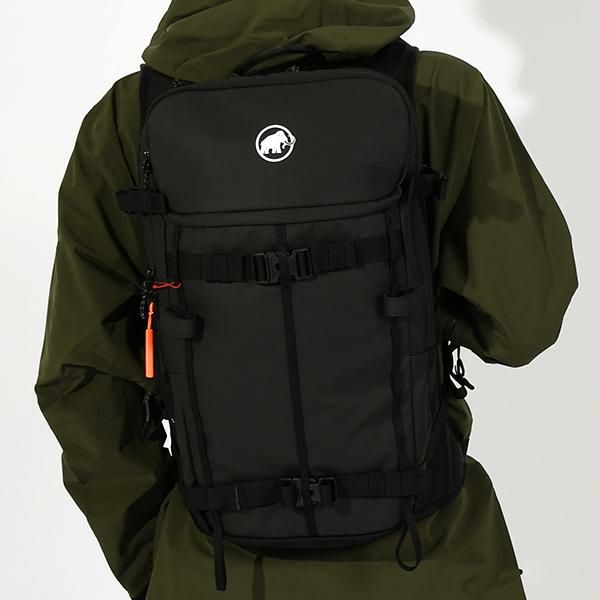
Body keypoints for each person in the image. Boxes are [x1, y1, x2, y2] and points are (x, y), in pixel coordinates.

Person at [35, 1, 578, 598]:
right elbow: (524, 322)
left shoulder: (125, 120)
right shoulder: (442, 92)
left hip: (215, 569)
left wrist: (158, 561)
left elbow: (79, 379)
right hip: (435, 559)